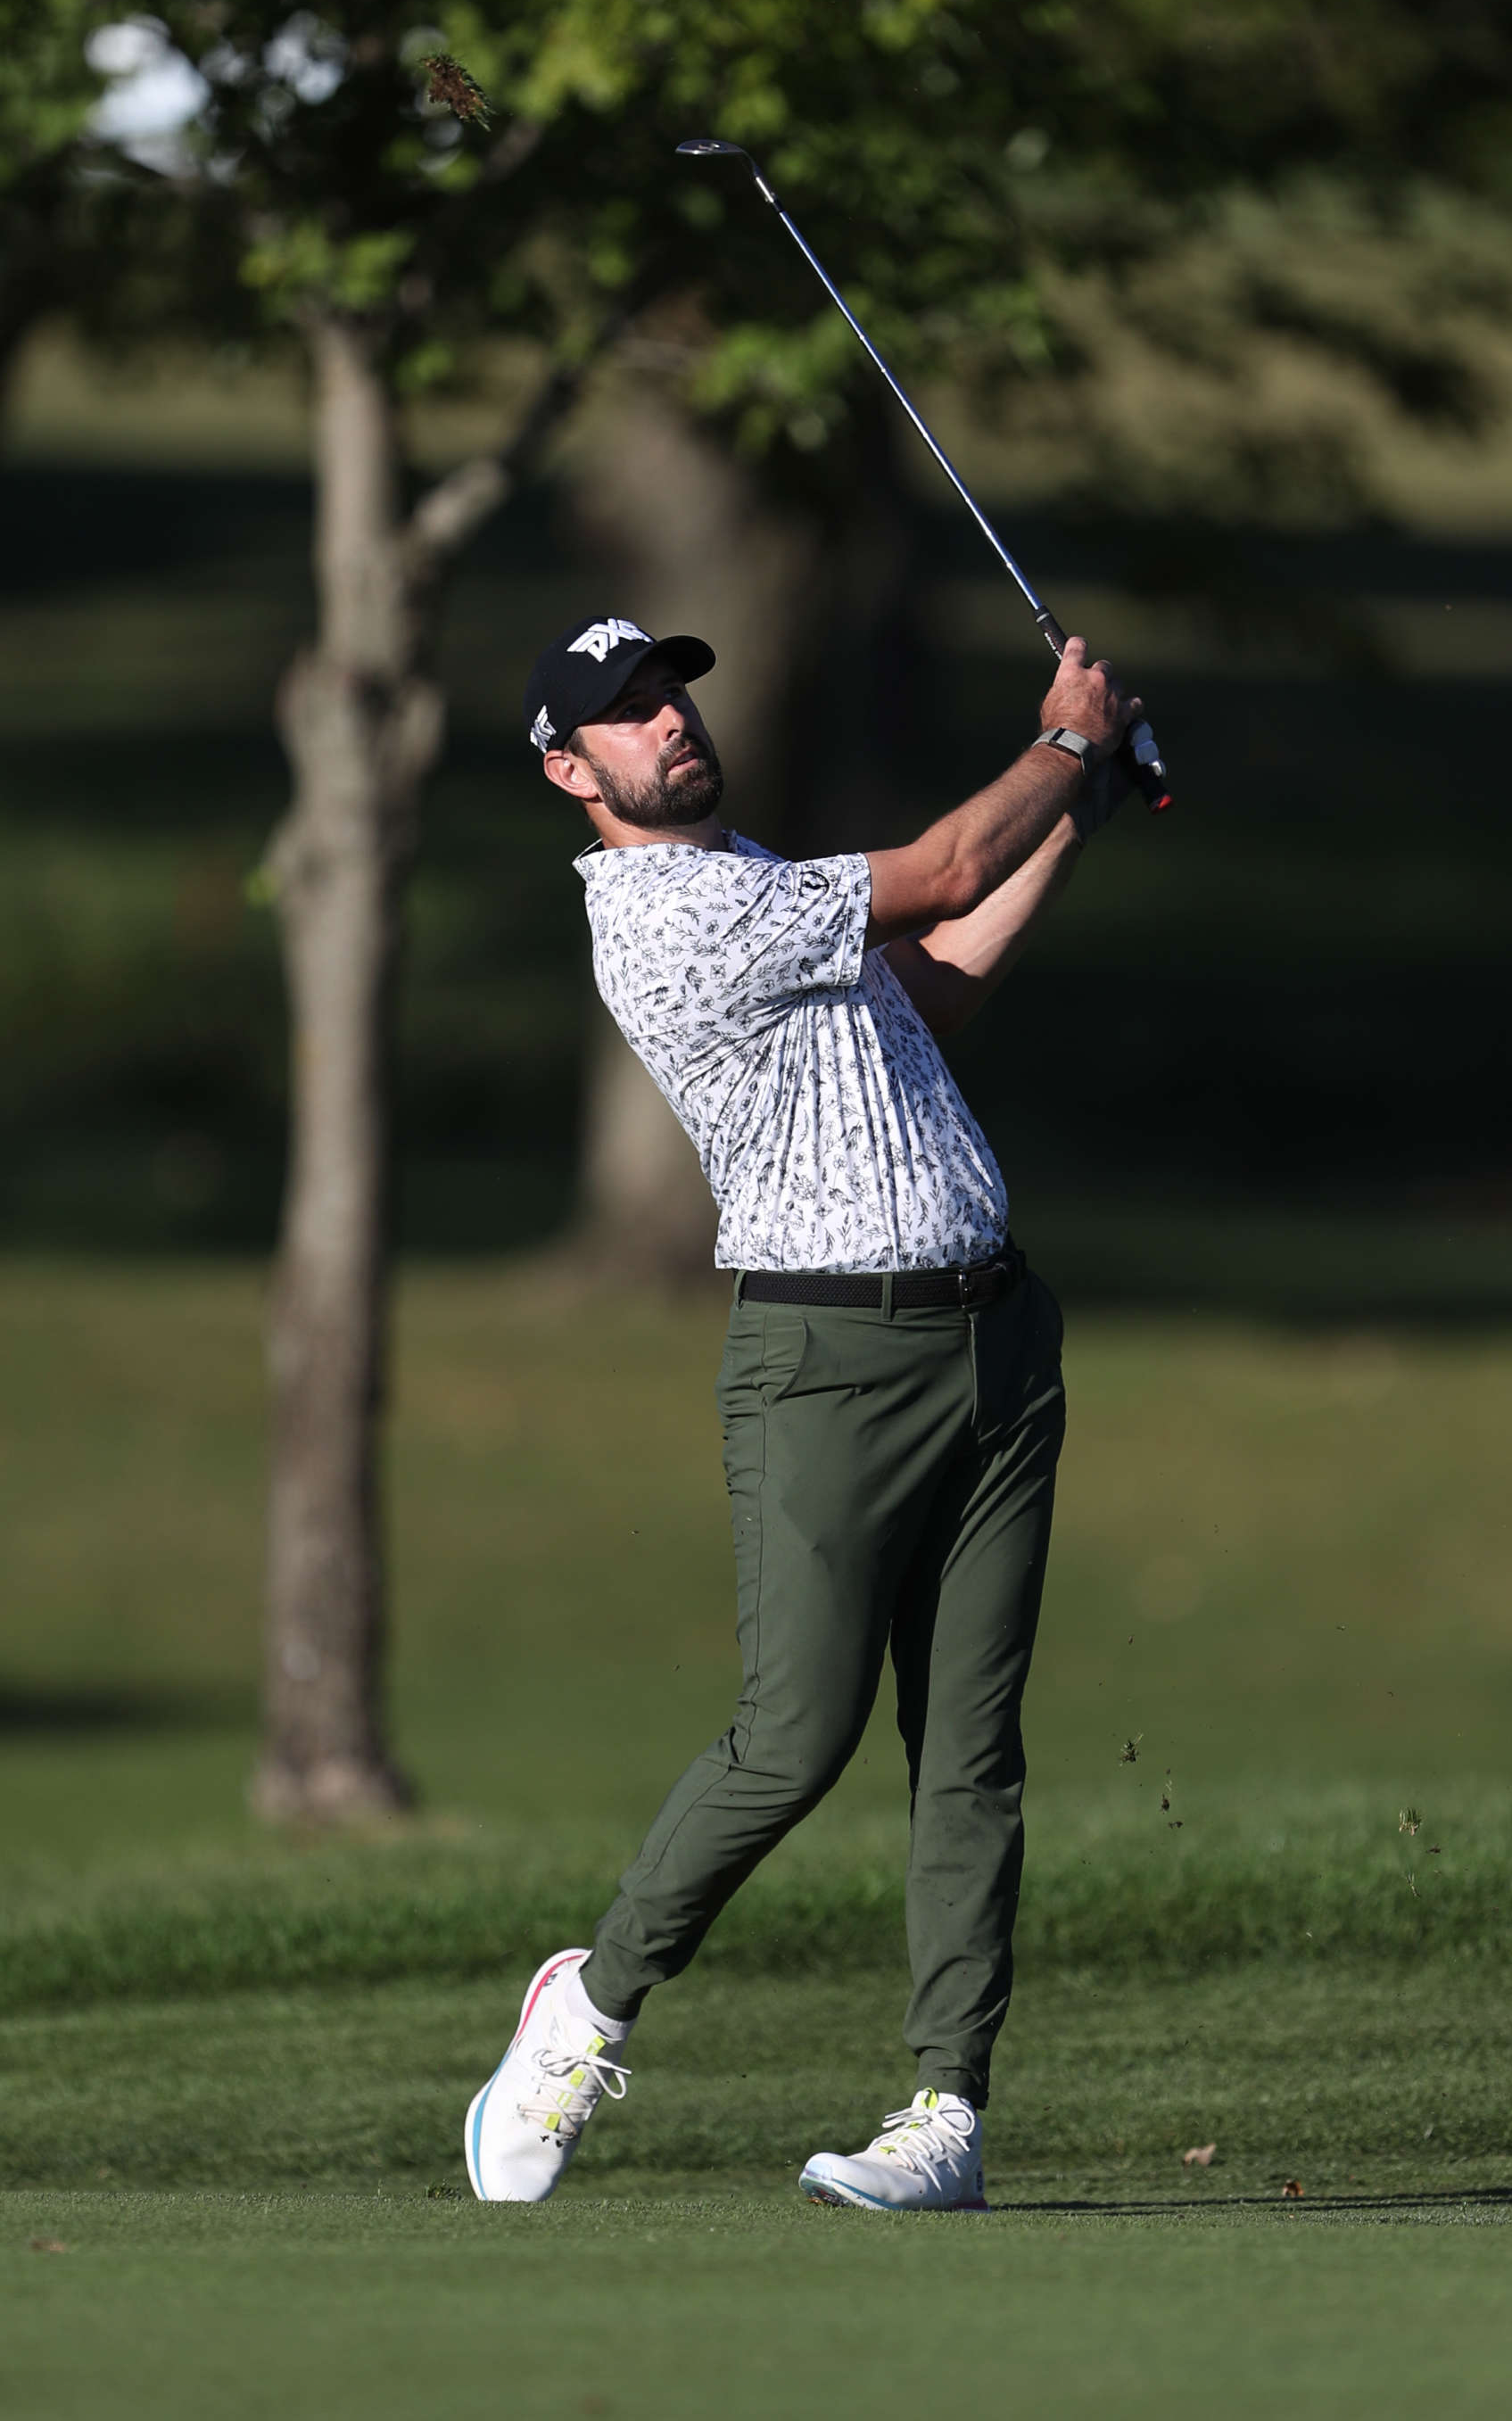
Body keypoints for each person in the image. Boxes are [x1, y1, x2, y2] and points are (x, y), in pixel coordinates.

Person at [465, 609, 1148, 2211]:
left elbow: (936, 983)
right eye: (625, 718)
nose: (667, 725)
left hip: (995, 1345)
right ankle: (591, 2004)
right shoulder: (663, 913)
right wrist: (1065, 738)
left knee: (971, 1754)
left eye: (671, 697)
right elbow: (941, 869)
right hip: (827, 1367)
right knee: (795, 1738)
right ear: (573, 772)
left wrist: (1087, 800)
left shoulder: (759, 882)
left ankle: (946, 2112)